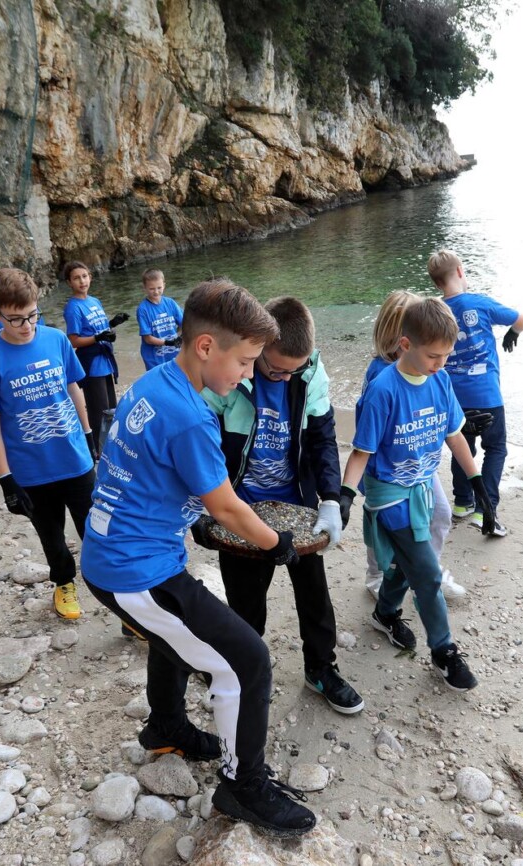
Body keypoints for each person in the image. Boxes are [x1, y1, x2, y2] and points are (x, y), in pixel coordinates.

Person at [81, 279, 316, 837]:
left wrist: (197, 520)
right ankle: (243, 787)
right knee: (247, 660)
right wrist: (278, 544)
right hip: (134, 571)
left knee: (176, 635)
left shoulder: (156, 380)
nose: (248, 375)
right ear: (207, 347)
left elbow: (159, 479)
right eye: (246, 361)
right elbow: (230, 508)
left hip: (116, 554)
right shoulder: (189, 416)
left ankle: (165, 727)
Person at [200, 296, 363, 716]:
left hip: (297, 505)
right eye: (275, 369)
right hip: (240, 508)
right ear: (257, 347)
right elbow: (203, 448)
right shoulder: (231, 374)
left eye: (296, 370)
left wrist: (333, 497)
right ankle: (236, 671)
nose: (287, 378)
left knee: (315, 595)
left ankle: (321, 669)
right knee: (245, 604)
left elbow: (323, 439)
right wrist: (201, 510)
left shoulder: (310, 373)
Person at [341, 298, 494, 692]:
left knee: (405, 565)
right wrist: (343, 497)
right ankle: (444, 651)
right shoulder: (383, 390)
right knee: (426, 574)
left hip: (423, 485)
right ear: (405, 345)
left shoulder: (440, 380)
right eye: (433, 355)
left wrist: (479, 486)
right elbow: (362, 452)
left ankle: (386, 612)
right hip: (389, 493)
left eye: (446, 355)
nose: (440, 364)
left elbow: (455, 436)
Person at [0, 268, 98, 620]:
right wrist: (6, 479)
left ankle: (117, 591)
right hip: (31, 470)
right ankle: (64, 584)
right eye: (15, 319)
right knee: (50, 532)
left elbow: (74, 388)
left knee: (97, 530)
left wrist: (88, 435)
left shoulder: (56, 339)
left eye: (32, 315)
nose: (26, 325)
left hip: (74, 458)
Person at [362, 290, 465, 601]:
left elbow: (442, 413)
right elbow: (368, 436)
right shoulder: (382, 376)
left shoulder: (432, 374)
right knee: (385, 529)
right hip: (387, 472)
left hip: (420, 466)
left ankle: (426, 569)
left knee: (440, 514)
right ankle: (377, 575)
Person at [429, 249, 523, 536]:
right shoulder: (480, 303)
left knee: (463, 447)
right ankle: (486, 509)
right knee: (496, 448)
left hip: (453, 396)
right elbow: (522, 319)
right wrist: (513, 333)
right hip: (487, 394)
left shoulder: (437, 309)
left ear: (437, 284)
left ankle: (462, 502)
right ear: (460, 271)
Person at [62, 260, 127, 455]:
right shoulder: (73, 307)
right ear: (69, 283)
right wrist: (98, 337)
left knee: (111, 407)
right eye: (76, 278)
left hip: (105, 361)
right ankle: (98, 450)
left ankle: (111, 445)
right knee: (99, 408)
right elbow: (73, 340)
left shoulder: (94, 301)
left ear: (90, 277)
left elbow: (98, 329)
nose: (82, 281)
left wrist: (112, 325)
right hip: (91, 363)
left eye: (84, 276)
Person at [136, 268, 184, 371]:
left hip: (175, 354)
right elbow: (147, 339)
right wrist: (168, 343)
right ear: (144, 288)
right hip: (154, 358)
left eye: (159, 287)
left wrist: (178, 336)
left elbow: (184, 323)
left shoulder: (170, 303)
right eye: (152, 289)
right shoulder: (143, 309)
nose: (156, 292)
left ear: (164, 285)